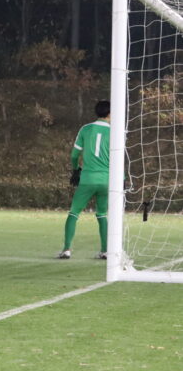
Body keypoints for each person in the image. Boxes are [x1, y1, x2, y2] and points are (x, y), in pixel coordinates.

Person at [58, 100, 110, 260]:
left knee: (74, 212)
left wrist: (76, 170)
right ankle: (105, 251)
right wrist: (122, 178)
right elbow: (119, 158)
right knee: (102, 214)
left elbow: (74, 155)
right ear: (110, 113)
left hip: (87, 179)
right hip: (107, 180)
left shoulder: (86, 129)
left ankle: (66, 249)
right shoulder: (115, 131)